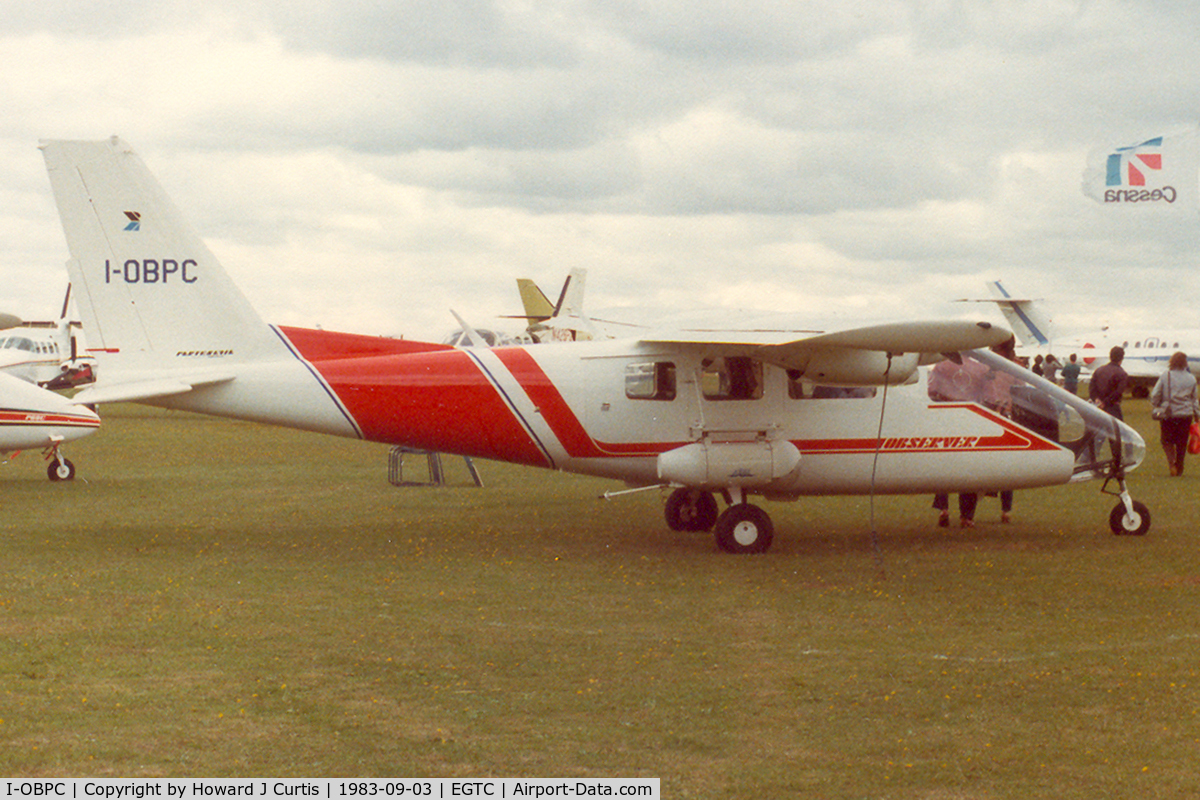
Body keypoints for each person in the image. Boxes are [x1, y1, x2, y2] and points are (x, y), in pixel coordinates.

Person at [1149, 352, 1200, 476]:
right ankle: (1180, 465)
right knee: (1182, 442)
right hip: (1186, 414)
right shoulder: (1191, 378)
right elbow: (1194, 399)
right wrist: (1197, 415)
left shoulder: (1165, 376)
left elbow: (1155, 394)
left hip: (1168, 413)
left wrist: (1156, 404)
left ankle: (1172, 462)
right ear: (1185, 363)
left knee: (1167, 440)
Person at [1089, 346, 1128, 419]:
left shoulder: (1099, 370)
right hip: (1112, 408)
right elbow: (1118, 392)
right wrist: (1105, 403)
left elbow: (1092, 387)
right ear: (1122, 358)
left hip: (1097, 406)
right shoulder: (1122, 374)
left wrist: (1096, 399)